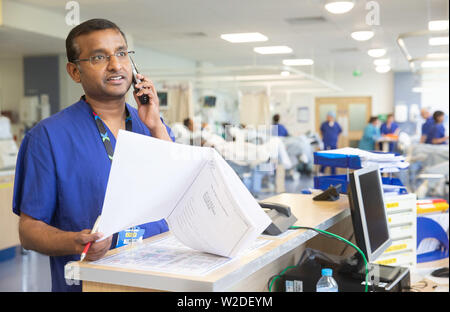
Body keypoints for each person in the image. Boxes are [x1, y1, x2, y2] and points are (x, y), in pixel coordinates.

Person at [12, 19, 175, 292]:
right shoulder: (48, 137)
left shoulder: (153, 126)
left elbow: (179, 191)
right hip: (92, 283)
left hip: (160, 278)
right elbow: (29, 231)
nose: (115, 64)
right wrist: (75, 242)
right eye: (99, 57)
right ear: (75, 72)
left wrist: (156, 124)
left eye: (121, 53)